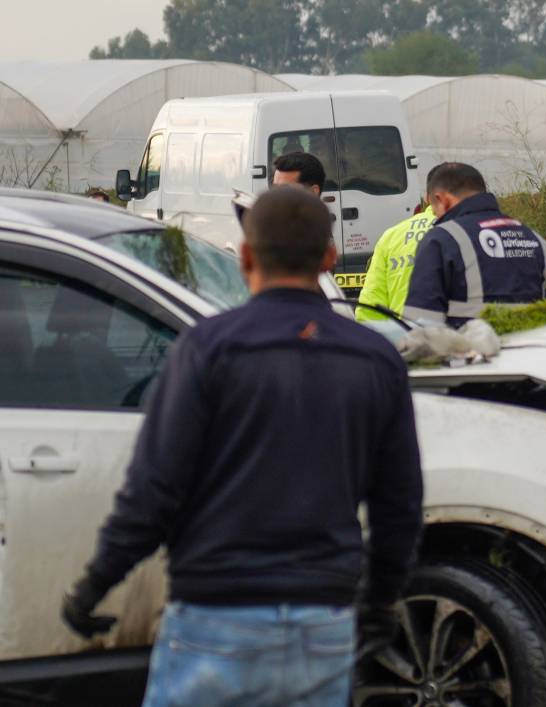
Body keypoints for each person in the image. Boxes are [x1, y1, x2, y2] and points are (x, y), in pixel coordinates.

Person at [61, 186, 424, 706]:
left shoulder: (209, 349)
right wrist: (381, 603)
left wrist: (94, 586)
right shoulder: (375, 360)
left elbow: (154, 490)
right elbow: (400, 505)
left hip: (214, 615)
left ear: (247, 257)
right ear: (328, 259)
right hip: (322, 623)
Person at [403, 162, 546, 326]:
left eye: (434, 209)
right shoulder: (536, 241)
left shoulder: (441, 240)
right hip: (534, 350)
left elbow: (421, 326)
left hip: (470, 350)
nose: (436, 216)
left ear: (442, 199)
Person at [356, 164, 443, 322]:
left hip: (404, 338)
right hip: (463, 340)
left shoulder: (392, 235)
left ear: (427, 197)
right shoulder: (475, 231)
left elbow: (370, 306)